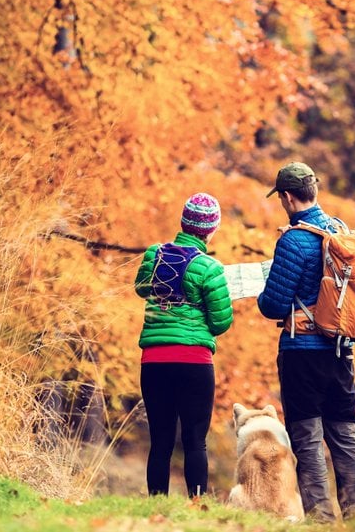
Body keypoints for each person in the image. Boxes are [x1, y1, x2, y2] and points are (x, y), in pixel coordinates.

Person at [257, 162, 355, 521]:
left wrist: (266, 287)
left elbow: (273, 303)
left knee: (307, 439)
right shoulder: (340, 231)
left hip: (302, 354)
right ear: (315, 190)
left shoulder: (293, 240)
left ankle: (322, 522)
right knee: (346, 434)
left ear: (287, 197)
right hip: (341, 350)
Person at [134, 193, 233, 497]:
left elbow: (140, 288)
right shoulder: (210, 268)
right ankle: (197, 506)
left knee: (160, 440)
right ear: (211, 230)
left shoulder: (155, 254)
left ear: (182, 223)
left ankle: (155, 506)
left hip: (154, 360)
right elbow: (220, 323)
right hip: (194, 362)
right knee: (195, 440)